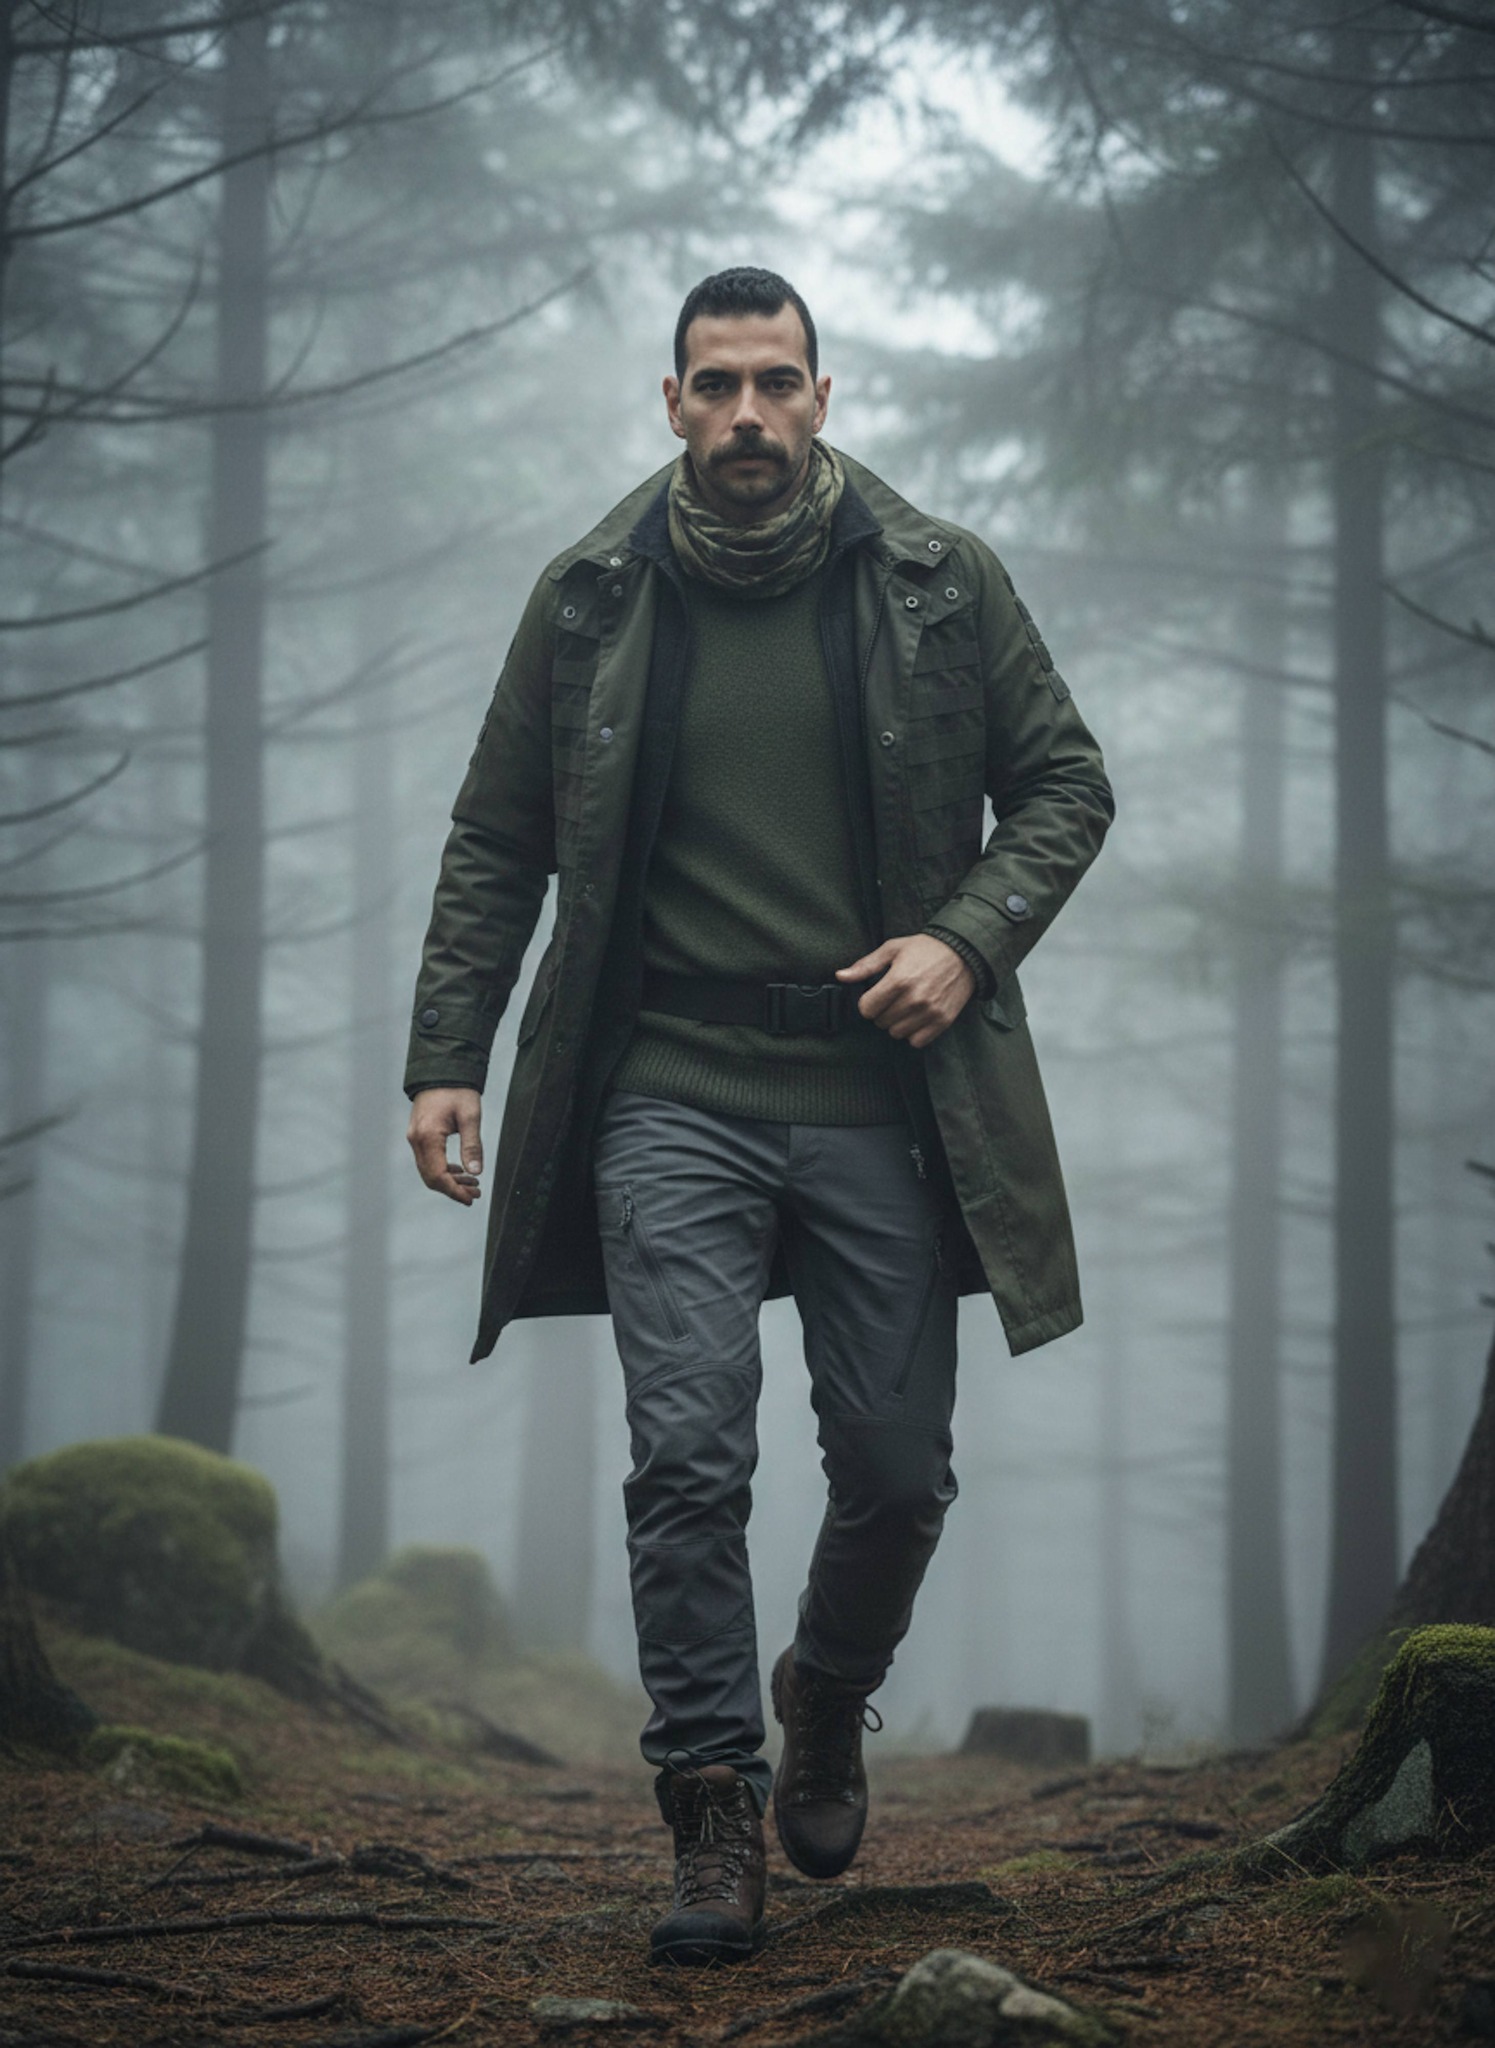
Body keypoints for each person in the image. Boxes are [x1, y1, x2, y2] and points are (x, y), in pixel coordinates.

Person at [404, 267, 1113, 1965]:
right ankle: (710, 1805)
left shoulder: (940, 583)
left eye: (775, 384)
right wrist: (446, 1055)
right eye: (713, 385)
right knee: (689, 1454)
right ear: (669, 407)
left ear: (821, 395)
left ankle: (825, 1696)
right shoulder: (588, 597)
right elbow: (500, 838)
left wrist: (965, 935)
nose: (745, 417)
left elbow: (1070, 784)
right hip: (668, 1092)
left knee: (893, 1471)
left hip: (887, 1097)